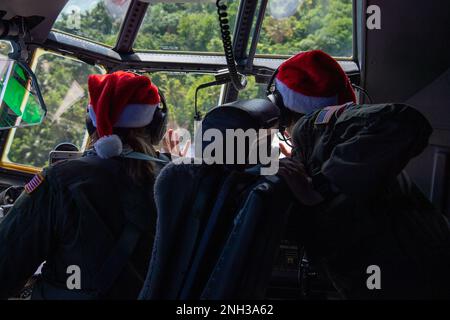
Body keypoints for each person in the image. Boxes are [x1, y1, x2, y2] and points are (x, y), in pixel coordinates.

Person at [272, 50, 450, 299]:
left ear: (283, 107)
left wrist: (320, 187)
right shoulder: (337, 145)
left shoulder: (318, 123)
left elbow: (405, 120)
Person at [0, 71, 171, 299]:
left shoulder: (61, 180)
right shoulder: (176, 182)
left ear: (93, 121)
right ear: (157, 126)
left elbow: (5, 265)